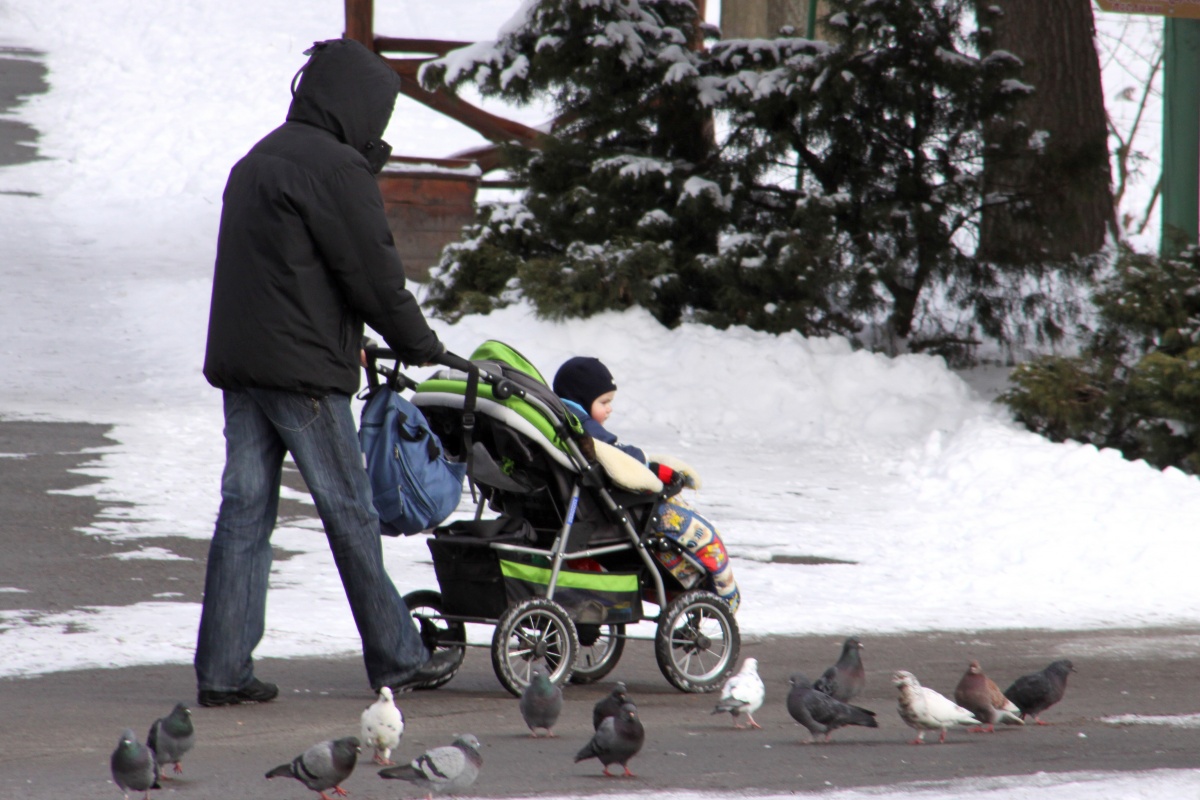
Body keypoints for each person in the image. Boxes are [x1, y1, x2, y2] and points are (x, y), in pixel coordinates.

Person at [195, 37, 456, 707]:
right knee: (349, 512)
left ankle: (224, 669)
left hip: (243, 366)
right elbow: (373, 275)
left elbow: (288, 272)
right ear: (357, 105)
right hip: (303, 374)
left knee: (244, 514)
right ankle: (398, 655)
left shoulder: (260, 157)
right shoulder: (336, 169)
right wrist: (418, 342)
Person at [552, 356, 740, 612]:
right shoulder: (583, 427)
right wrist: (649, 467)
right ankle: (719, 591)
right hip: (610, 515)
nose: (610, 409)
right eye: (604, 402)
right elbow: (618, 457)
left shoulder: (559, 419)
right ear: (581, 400)